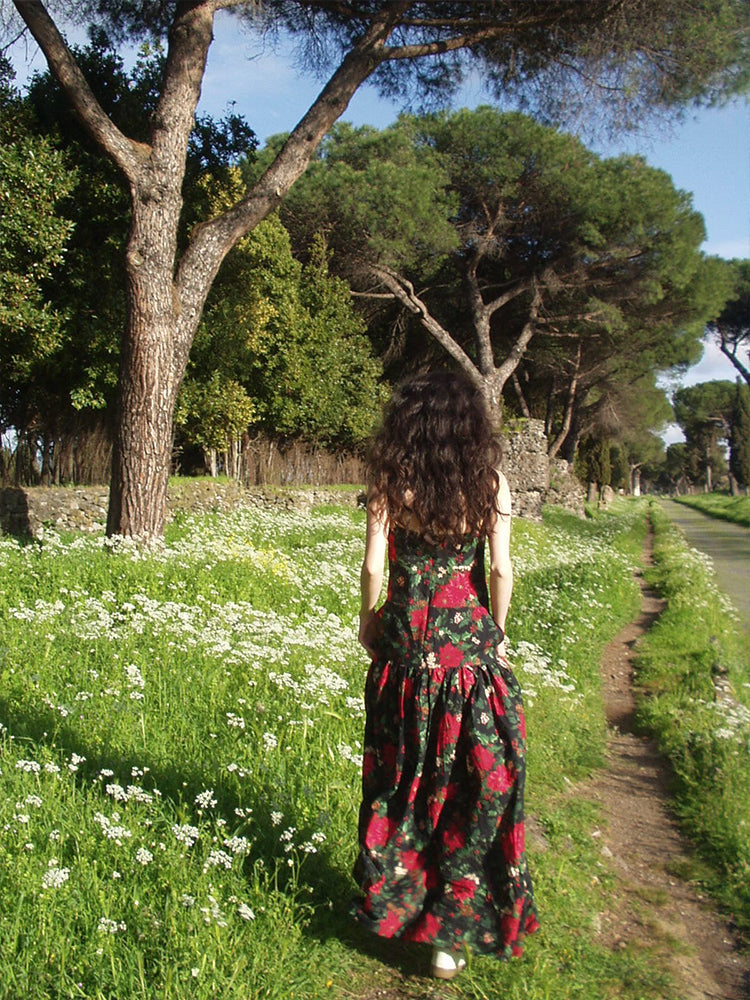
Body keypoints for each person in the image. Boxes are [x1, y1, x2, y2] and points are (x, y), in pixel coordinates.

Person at [352, 370, 539, 979]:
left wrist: (369, 621)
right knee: (473, 785)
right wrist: (498, 634)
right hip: (470, 664)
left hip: (405, 657)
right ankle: (450, 936)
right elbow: (503, 572)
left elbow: (375, 569)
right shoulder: (491, 483)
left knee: (403, 782)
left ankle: (394, 902)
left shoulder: (390, 481)